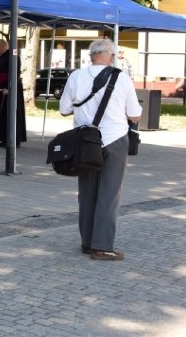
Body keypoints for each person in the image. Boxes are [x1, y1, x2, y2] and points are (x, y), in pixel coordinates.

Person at [59, 38, 141, 260]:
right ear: (110, 56)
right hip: (114, 139)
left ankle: (87, 242)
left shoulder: (76, 76)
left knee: (87, 192)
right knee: (109, 193)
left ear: (90, 56)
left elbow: (64, 109)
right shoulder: (121, 78)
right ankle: (102, 246)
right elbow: (135, 113)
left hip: (85, 142)